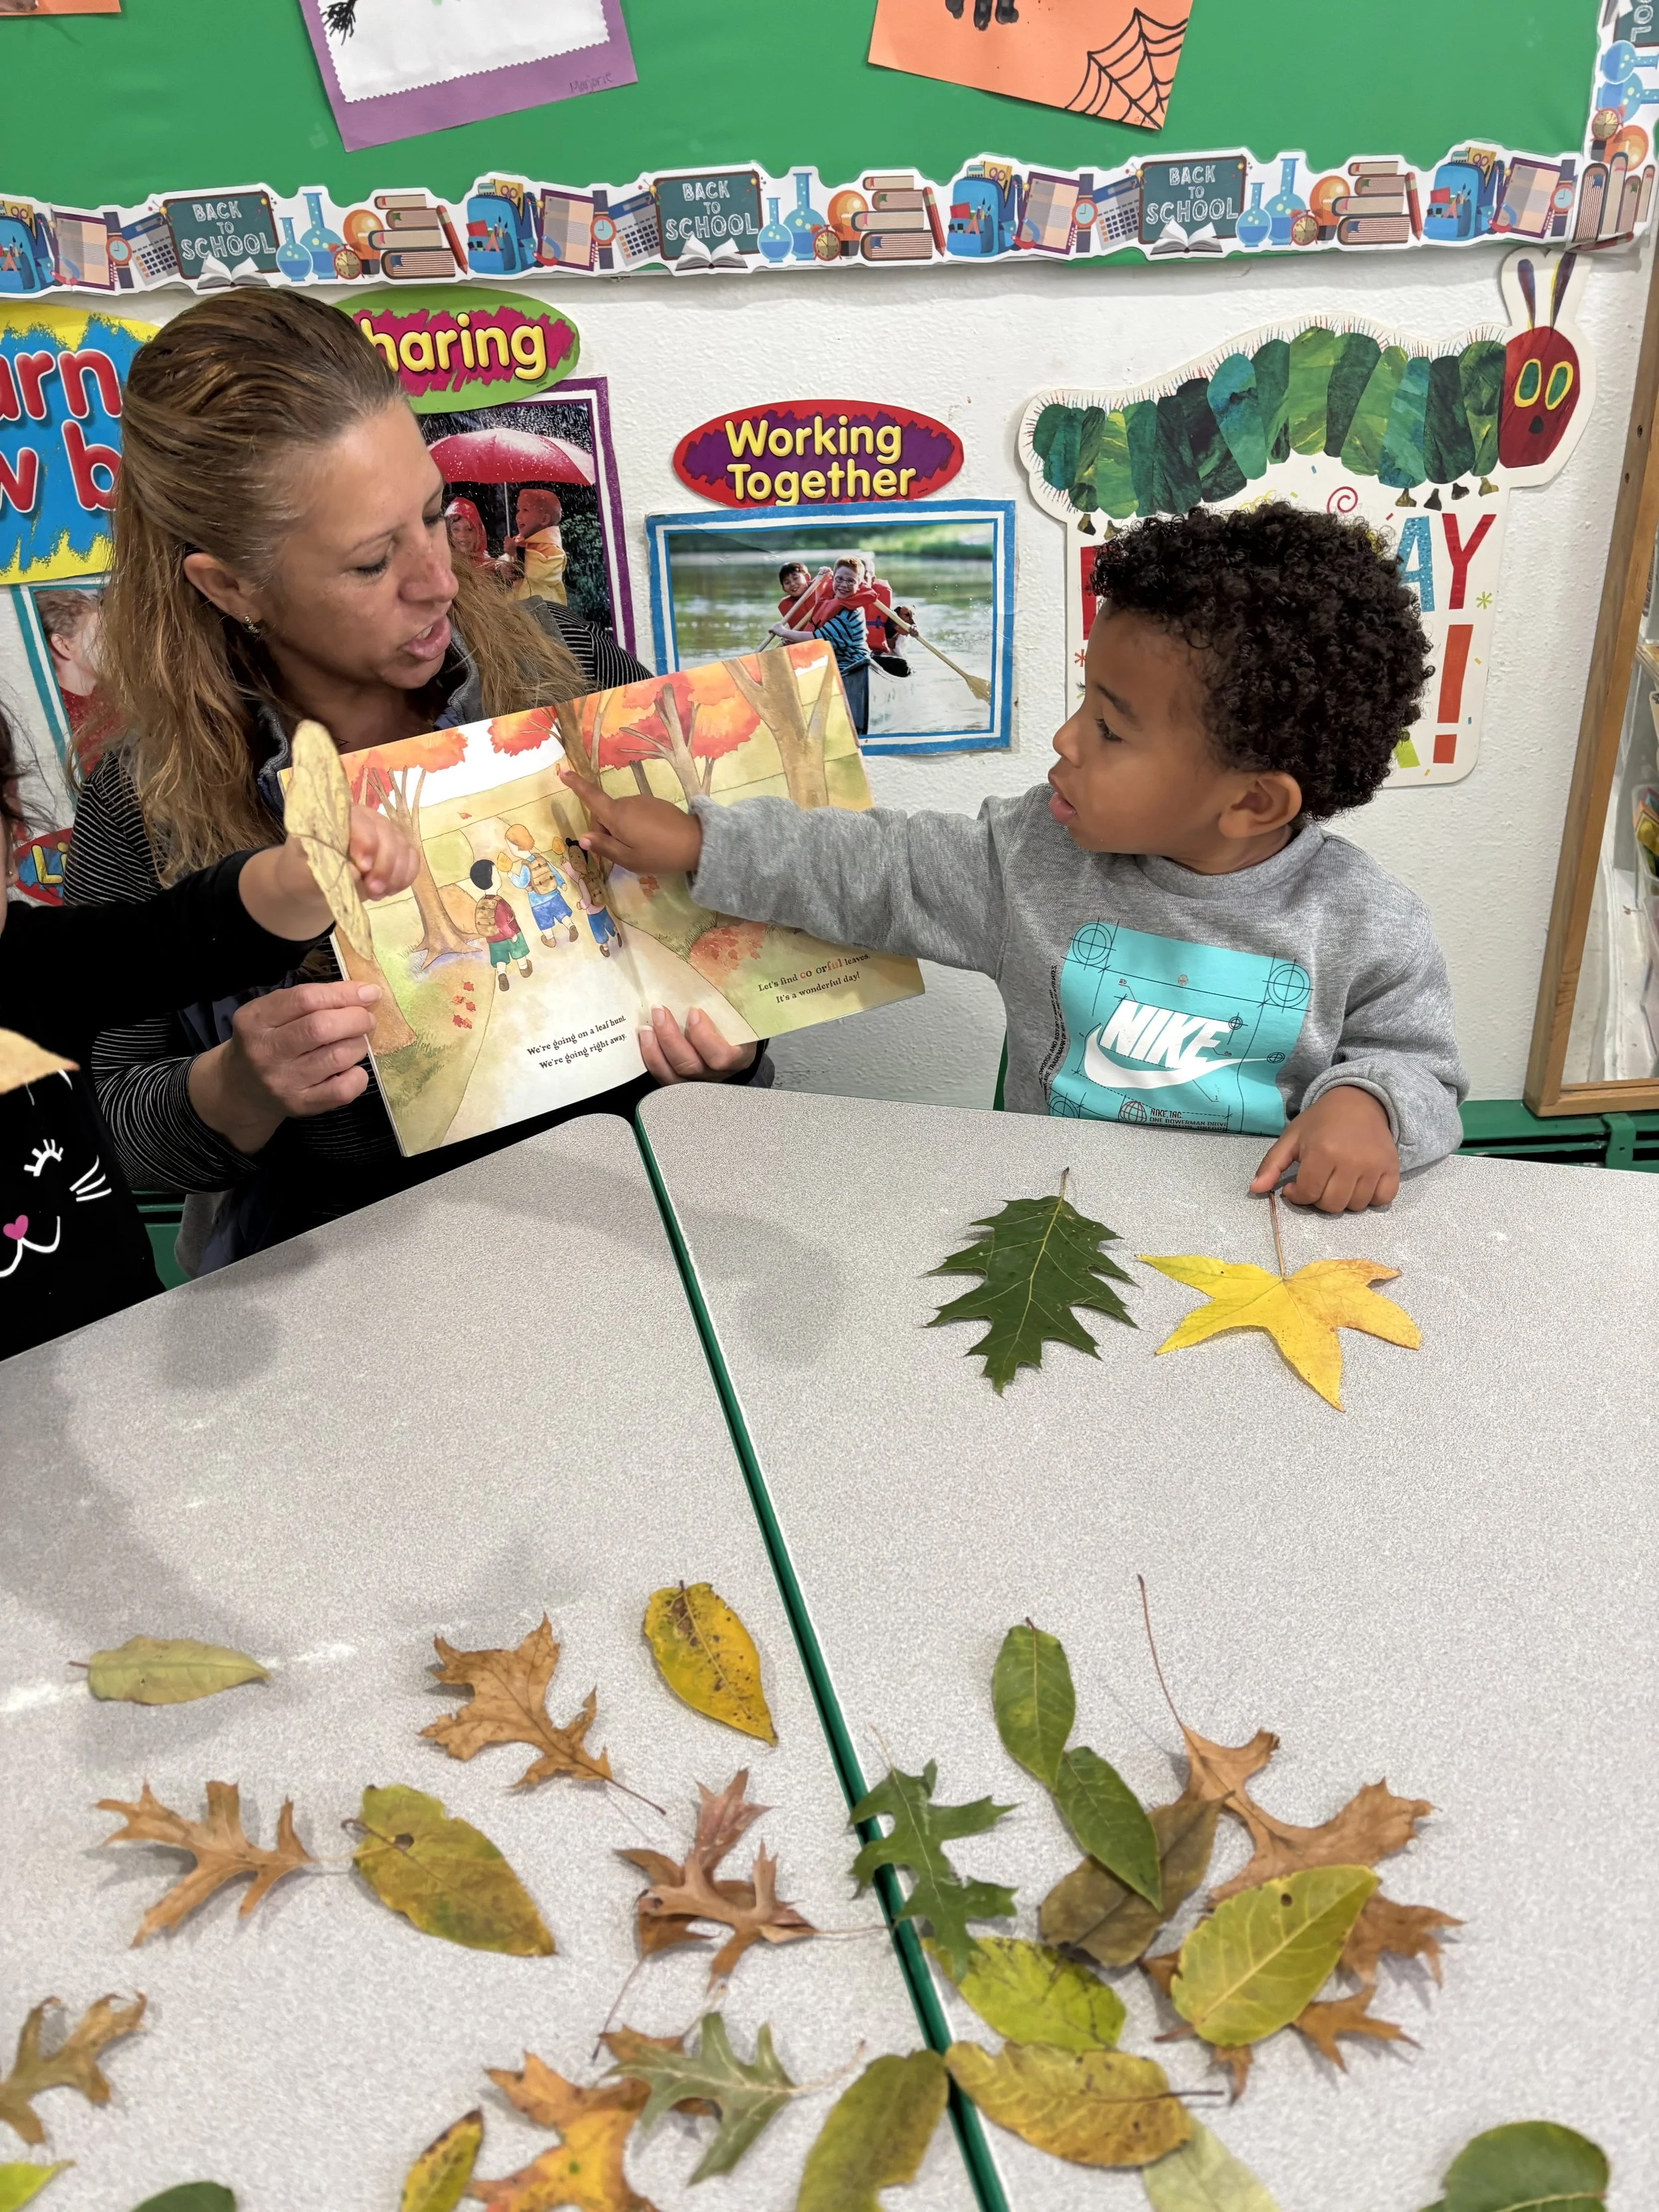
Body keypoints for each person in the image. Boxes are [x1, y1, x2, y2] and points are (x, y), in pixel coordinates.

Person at [64, 289, 760, 1276]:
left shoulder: (568, 669)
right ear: (229, 586)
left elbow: (725, 956)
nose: (437, 580)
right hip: (352, 1272)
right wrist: (244, 1085)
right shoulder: (143, 801)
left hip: (627, 1223)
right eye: (369, 562)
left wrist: (732, 1042)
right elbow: (113, 1125)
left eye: (435, 513)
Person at [567, 504, 1468, 1213]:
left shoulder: (1366, 922)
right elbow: (875, 868)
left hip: (1261, 1237)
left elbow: (1424, 1071)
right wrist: (701, 841)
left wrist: (1372, 1106)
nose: (1066, 739)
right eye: (1086, 702)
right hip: (1054, 1227)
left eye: (1110, 728)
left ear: (1252, 802)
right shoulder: (1033, 859)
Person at [0, 702, 417, 1360]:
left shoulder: (34, 964)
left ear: (10, 833)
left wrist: (300, 878)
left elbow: (179, 936)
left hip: (120, 1346)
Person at [772, 556, 875, 737]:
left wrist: (782, 632)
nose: (844, 585)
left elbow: (817, 638)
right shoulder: (832, 600)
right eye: (839, 579)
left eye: (851, 581)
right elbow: (819, 612)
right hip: (834, 663)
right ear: (833, 579)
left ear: (860, 585)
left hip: (851, 665)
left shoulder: (852, 613)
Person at [504, 822, 577, 946]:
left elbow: (522, 883)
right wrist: (561, 883)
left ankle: (550, 938)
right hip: (554, 894)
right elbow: (553, 871)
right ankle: (570, 926)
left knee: (544, 920)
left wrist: (511, 876)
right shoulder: (540, 859)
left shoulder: (526, 866)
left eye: (510, 846)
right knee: (561, 913)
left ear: (517, 846)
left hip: (537, 901)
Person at [471, 857, 533, 988]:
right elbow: (503, 924)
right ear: (493, 880)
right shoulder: (498, 903)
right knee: (519, 951)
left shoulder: (482, 902)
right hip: (510, 935)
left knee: (499, 958)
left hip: (493, 939)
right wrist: (512, 935)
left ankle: (501, 974)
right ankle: (524, 968)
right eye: (497, 874)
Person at [504, 486, 567, 605]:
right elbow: (512, 569)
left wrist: (516, 553)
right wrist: (506, 568)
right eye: (518, 510)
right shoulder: (519, 542)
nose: (518, 516)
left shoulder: (552, 549)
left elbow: (540, 573)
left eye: (525, 510)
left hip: (545, 612)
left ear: (544, 519)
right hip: (521, 609)